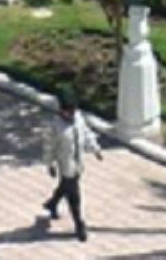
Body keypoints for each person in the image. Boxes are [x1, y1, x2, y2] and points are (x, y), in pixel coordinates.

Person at [42, 92, 102, 242]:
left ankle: (52, 203)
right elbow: (49, 147)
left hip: (78, 164)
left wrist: (95, 149)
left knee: (66, 186)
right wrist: (50, 164)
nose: (71, 114)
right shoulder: (55, 126)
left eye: (73, 110)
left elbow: (86, 134)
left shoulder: (79, 119)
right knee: (74, 195)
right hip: (66, 165)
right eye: (68, 111)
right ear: (61, 110)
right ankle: (79, 224)